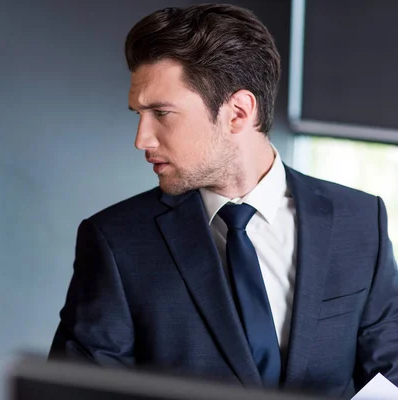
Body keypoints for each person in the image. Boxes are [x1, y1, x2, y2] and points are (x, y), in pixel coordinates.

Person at [49, 4, 398, 398]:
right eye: (138, 114)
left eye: (161, 113)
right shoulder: (115, 241)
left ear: (237, 113)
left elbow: (390, 372)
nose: (141, 139)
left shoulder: (360, 220)